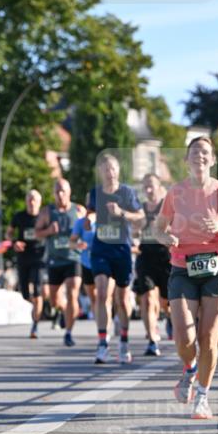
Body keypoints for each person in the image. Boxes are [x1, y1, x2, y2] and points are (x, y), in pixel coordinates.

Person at [154, 136, 218, 419]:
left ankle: (202, 396)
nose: (200, 155)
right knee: (185, 338)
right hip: (182, 268)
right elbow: (158, 228)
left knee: (208, 337)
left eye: (205, 152)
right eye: (194, 152)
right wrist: (166, 237)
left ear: (212, 160)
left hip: (217, 268)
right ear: (186, 160)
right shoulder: (176, 193)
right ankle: (189, 369)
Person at [88, 154, 144, 364]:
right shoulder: (94, 193)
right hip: (101, 248)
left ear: (118, 171)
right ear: (100, 172)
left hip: (122, 248)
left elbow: (140, 216)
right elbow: (90, 214)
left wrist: (122, 213)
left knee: (122, 298)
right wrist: (87, 221)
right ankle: (102, 343)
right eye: (106, 169)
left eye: (113, 169)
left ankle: (124, 341)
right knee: (102, 293)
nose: (109, 173)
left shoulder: (127, 192)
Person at [35, 179, 83, 347]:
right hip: (55, 260)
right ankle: (62, 311)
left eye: (63, 190)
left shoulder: (78, 210)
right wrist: (48, 231)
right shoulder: (47, 212)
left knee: (72, 293)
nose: (60, 194)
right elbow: (36, 233)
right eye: (57, 191)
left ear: (69, 192)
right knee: (54, 300)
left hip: (73, 258)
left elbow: (90, 229)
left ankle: (69, 332)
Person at [132, 173, 172, 357]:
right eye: (145, 186)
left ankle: (169, 316)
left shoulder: (168, 206)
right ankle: (152, 340)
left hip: (166, 258)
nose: (148, 190)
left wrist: (166, 231)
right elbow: (132, 233)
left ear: (159, 186)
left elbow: (177, 228)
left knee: (166, 302)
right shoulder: (139, 210)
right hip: (145, 257)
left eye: (151, 186)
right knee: (148, 299)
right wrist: (134, 236)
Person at [6, 189, 46, 339]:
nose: (32, 202)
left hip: (39, 258)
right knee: (24, 294)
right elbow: (9, 232)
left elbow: (53, 232)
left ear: (39, 202)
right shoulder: (19, 216)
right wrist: (14, 242)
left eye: (34, 199)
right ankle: (40, 305)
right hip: (23, 257)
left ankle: (35, 325)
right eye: (29, 199)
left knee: (36, 290)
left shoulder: (44, 217)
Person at [70, 206, 97, 323]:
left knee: (104, 296)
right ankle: (101, 329)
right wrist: (78, 245)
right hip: (87, 263)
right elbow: (71, 243)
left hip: (104, 262)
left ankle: (108, 326)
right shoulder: (80, 223)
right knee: (94, 297)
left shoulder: (106, 220)